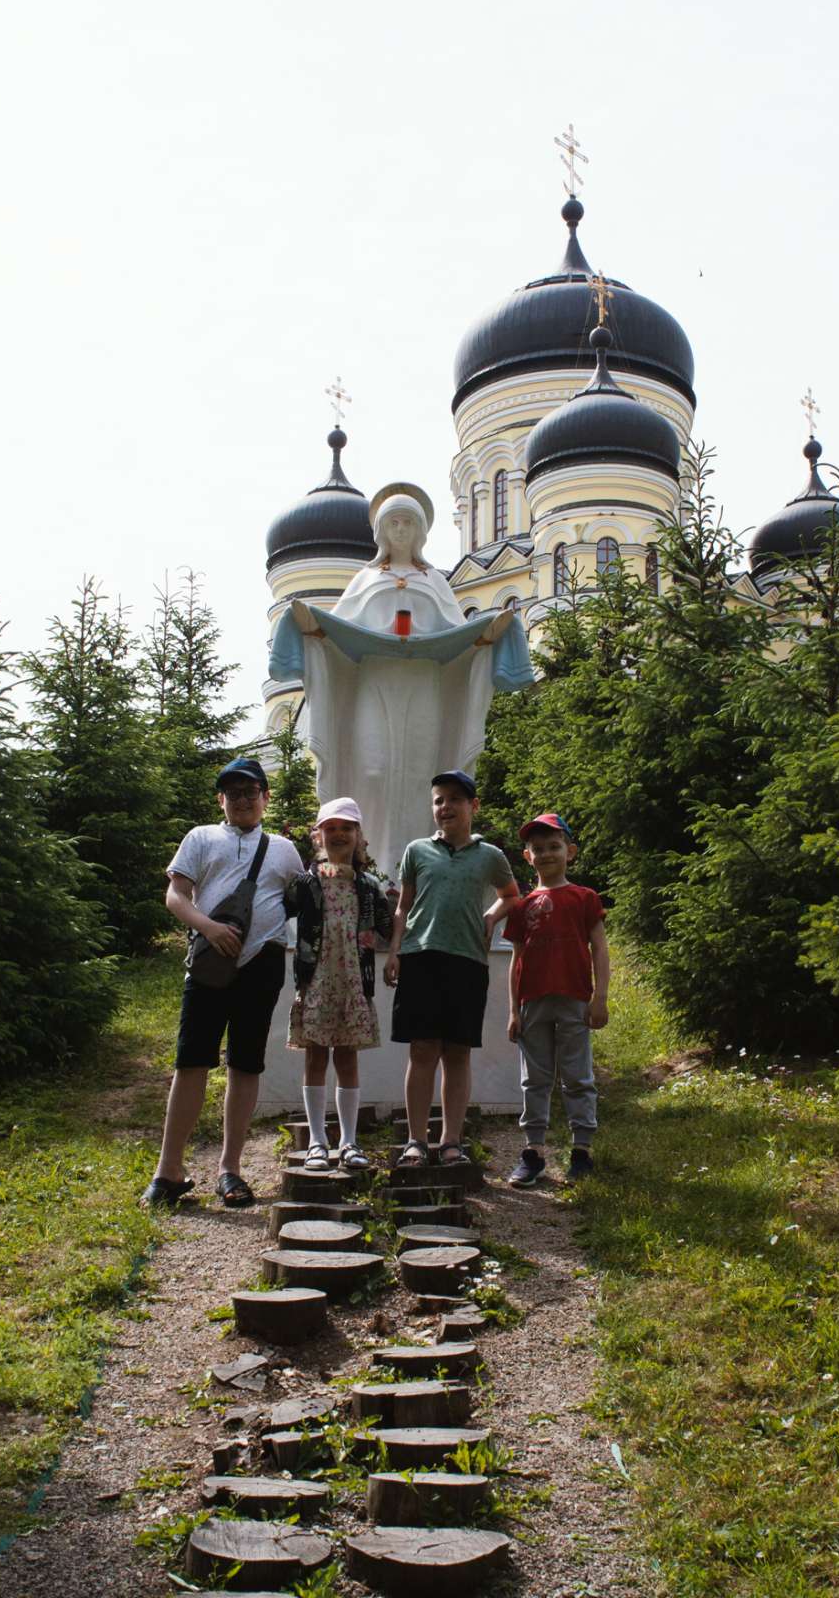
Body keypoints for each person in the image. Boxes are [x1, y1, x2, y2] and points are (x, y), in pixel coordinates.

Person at [270, 481, 532, 880]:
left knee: (419, 775)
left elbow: (458, 637)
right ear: (380, 531)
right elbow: (337, 633)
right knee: (372, 771)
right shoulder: (365, 579)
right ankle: (369, 868)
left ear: (421, 531)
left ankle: (418, 869)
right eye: (393, 522)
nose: (401, 530)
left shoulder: (435, 581)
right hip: (374, 681)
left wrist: (487, 636)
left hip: (423, 683)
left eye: (409, 522)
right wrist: (311, 629)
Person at [141, 757, 303, 1208]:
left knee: (245, 1064)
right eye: (233, 793)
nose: (243, 800)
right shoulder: (200, 837)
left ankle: (230, 1169)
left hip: (262, 965)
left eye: (251, 792)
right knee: (191, 1062)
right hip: (209, 963)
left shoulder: (285, 850)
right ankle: (168, 1171)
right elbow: (176, 894)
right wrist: (208, 928)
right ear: (221, 800)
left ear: (265, 797)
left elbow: (303, 900)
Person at [383, 770, 520, 1165]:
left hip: (467, 961)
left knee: (458, 1052)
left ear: (473, 805)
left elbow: (511, 895)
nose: (446, 807)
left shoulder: (489, 855)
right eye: (439, 800)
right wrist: (394, 951)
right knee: (422, 1049)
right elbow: (403, 906)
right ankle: (415, 1141)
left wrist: (491, 916)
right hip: (420, 957)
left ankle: (451, 1142)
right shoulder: (417, 851)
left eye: (455, 799)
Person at [501, 813, 609, 1187]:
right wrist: (513, 1010)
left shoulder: (584, 898)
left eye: (554, 846)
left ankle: (582, 1151)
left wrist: (600, 998)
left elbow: (599, 948)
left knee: (577, 1076)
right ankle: (533, 1152)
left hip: (575, 998)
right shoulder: (522, 906)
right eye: (538, 848)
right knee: (535, 1079)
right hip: (532, 1002)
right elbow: (516, 959)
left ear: (570, 852)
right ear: (527, 856)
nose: (546, 854)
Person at [285, 796, 393, 1172]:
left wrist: (402, 904)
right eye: (330, 828)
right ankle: (317, 1141)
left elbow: (388, 927)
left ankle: (348, 1141)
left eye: (346, 828)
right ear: (319, 836)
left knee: (347, 1057)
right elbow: (275, 908)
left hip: (353, 983)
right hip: (316, 981)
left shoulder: (369, 886)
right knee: (316, 1056)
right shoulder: (306, 884)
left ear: (358, 835)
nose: (339, 834)